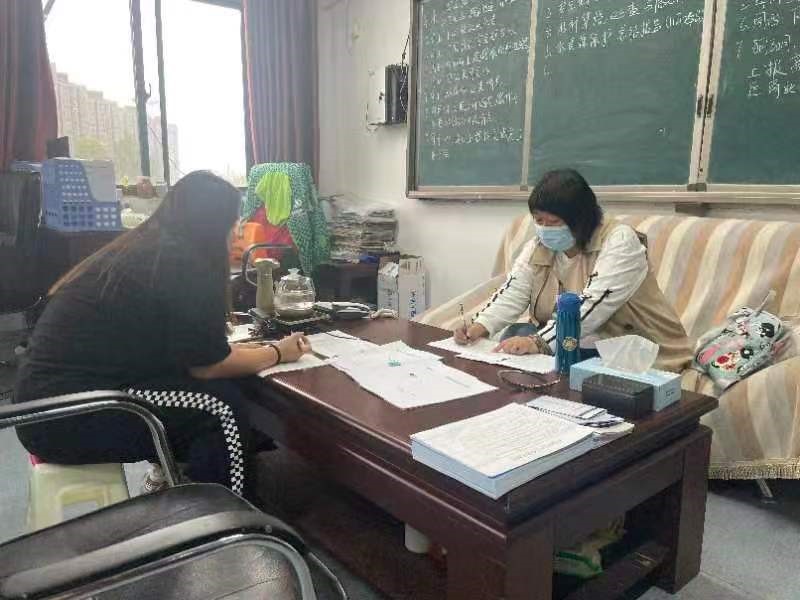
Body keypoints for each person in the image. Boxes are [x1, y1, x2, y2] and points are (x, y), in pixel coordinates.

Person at [14, 171, 311, 497]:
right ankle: (229, 513)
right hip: (67, 416)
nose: (236, 232)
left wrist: (252, 350)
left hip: (45, 406)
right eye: (234, 223)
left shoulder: (150, 249)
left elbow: (183, 351)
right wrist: (278, 352)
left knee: (207, 391)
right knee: (220, 409)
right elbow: (207, 366)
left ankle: (179, 475)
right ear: (213, 225)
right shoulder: (182, 263)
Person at [454, 169, 693, 372]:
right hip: (576, 343)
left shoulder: (620, 241)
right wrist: (480, 326)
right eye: (539, 220)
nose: (545, 229)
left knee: (529, 343)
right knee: (514, 336)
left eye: (554, 222)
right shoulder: (538, 246)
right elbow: (513, 291)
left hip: (633, 349)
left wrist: (537, 342)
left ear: (581, 218)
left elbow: (591, 309)